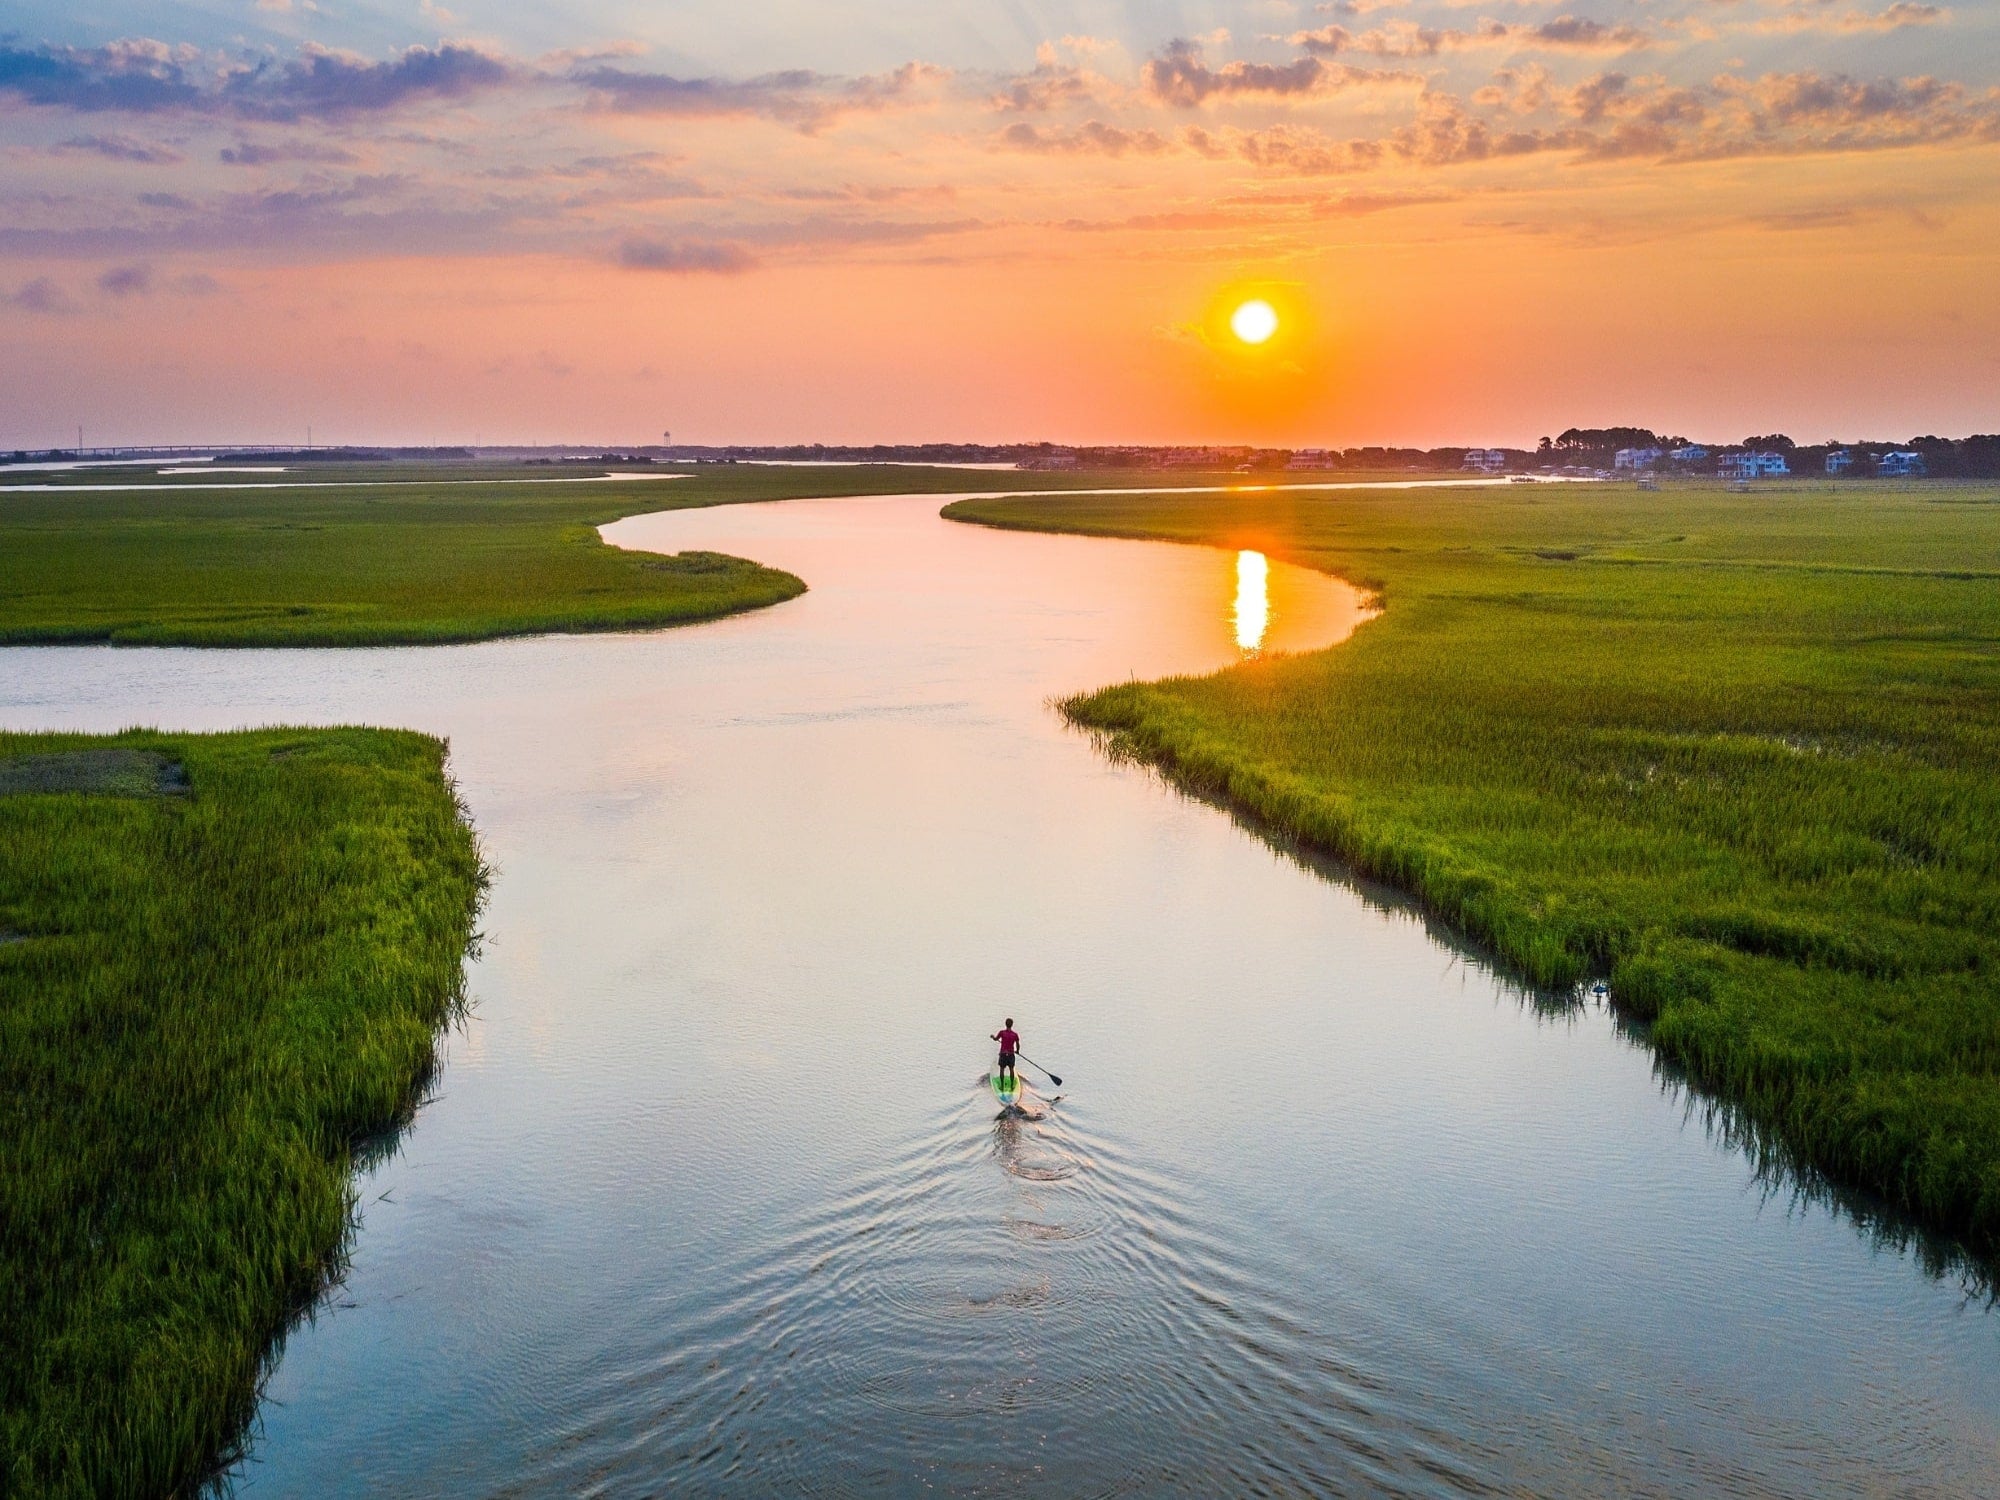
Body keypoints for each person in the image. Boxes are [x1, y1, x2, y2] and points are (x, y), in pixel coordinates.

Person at [991, 1018, 1020, 1086]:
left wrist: (993, 1037)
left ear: (1005, 1024)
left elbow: (996, 1039)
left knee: (1002, 1069)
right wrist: (1017, 1051)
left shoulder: (1002, 1032)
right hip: (1011, 1054)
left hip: (1003, 1054)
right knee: (1011, 1069)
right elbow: (1018, 1044)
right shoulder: (1015, 1034)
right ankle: (1012, 1084)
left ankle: (1002, 1085)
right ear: (1012, 1025)